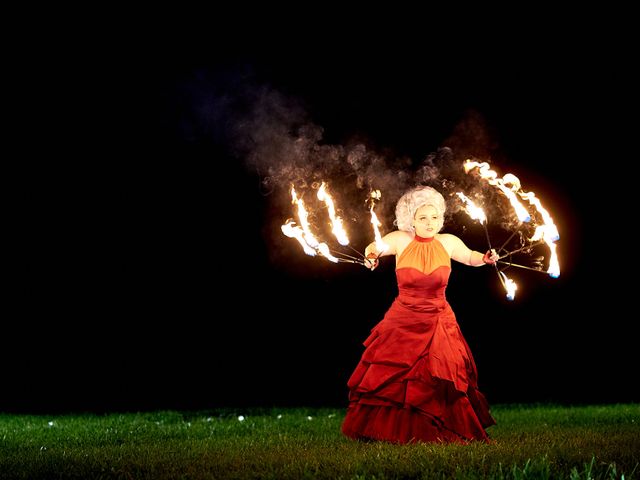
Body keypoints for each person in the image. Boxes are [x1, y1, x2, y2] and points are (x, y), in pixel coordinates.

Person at [341, 185, 498, 444]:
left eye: (435, 217)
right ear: (411, 219)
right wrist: (371, 256)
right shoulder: (400, 239)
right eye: (423, 218)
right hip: (403, 318)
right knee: (395, 376)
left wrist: (485, 258)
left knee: (444, 375)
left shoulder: (448, 242)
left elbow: (470, 257)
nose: (430, 223)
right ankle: (389, 430)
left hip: (439, 319)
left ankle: (440, 428)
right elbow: (374, 246)